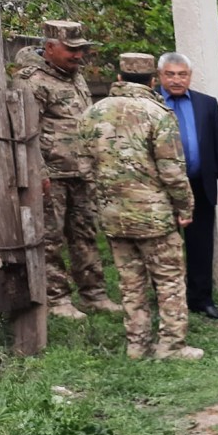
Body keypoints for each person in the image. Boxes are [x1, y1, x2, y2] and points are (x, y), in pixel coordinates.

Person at [82, 53, 201, 360]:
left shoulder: (93, 113)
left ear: (119, 78)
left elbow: (83, 166)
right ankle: (171, 346)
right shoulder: (158, 113)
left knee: (130, 284)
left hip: (113, 216)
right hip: (154, 217)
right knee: (170, 281)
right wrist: (185, 208)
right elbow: (173, 171)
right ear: (152, 81)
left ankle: (137, 346)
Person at [15, 20, 119, 320]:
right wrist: (40, 173)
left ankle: (94, 294)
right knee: (50, 239)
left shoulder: (77, 77)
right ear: (50, 47)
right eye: (72, 50)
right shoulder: (32, 81)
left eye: (82, 49)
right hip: (53, 176)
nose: (78, 55)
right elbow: (26, 132)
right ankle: (57, 299)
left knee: (85, 234)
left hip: (83, 172)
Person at [157, 52, 218, 320]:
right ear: (160, 76)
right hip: (162, 189)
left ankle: (201, 299)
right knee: (163, 247)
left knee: (201, 245)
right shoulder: (151, 103)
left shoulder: (206, 104)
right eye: (170, 74)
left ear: (190, 76)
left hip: (200, 185)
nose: (177, 79)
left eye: (182, 74)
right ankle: (166, 302)